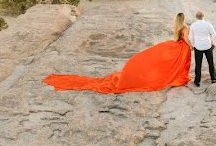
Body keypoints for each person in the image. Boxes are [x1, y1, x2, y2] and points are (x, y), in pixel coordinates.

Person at [42, 12, 192, 94]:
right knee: (177, 65)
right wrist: (192, 47)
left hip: (176, 45)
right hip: (182, 48)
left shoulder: (178, 27)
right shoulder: (185, 28)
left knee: (166, 62)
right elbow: (186, 40)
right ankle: (178, 77)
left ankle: (176, 76)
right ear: (184, 19)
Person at [188, 11, 216, 87]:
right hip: (208, 46)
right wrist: (214, 44)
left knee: (198, 64)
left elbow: (190, 37)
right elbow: (214, 35)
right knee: (210, 63)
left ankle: (197, 81)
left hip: (198, 46)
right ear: (203, 16)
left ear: (196, 17)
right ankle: (213, 79)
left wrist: (192, 45)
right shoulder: (208, 24)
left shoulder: (193, 25)